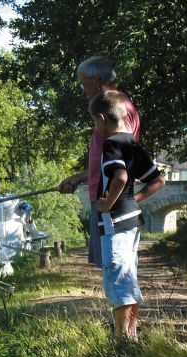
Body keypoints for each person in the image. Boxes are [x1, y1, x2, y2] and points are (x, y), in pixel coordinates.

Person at [90, 90, 164, 342]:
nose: (95, 128)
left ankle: (121, 340)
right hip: (131, 220)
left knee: (117, 279)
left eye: (94, 122)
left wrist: (107, 203)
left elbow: (120, 177)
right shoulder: (131, 143)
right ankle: (131, 336)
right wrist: (135, 200)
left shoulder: (111, 144)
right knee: (129, 277)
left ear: (102, 118)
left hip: (115, 222)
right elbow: (158, 181)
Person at [59, 56, 141, 267]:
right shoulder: (113, 108)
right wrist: (79, 178)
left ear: (97, 81)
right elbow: (110, 162)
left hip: (111, 205)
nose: (83, 90)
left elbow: (121, 167)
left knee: (116, 267)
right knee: (113, 268)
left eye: (84, 84)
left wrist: (108, 203)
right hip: (107, 200)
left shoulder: (117, 112)